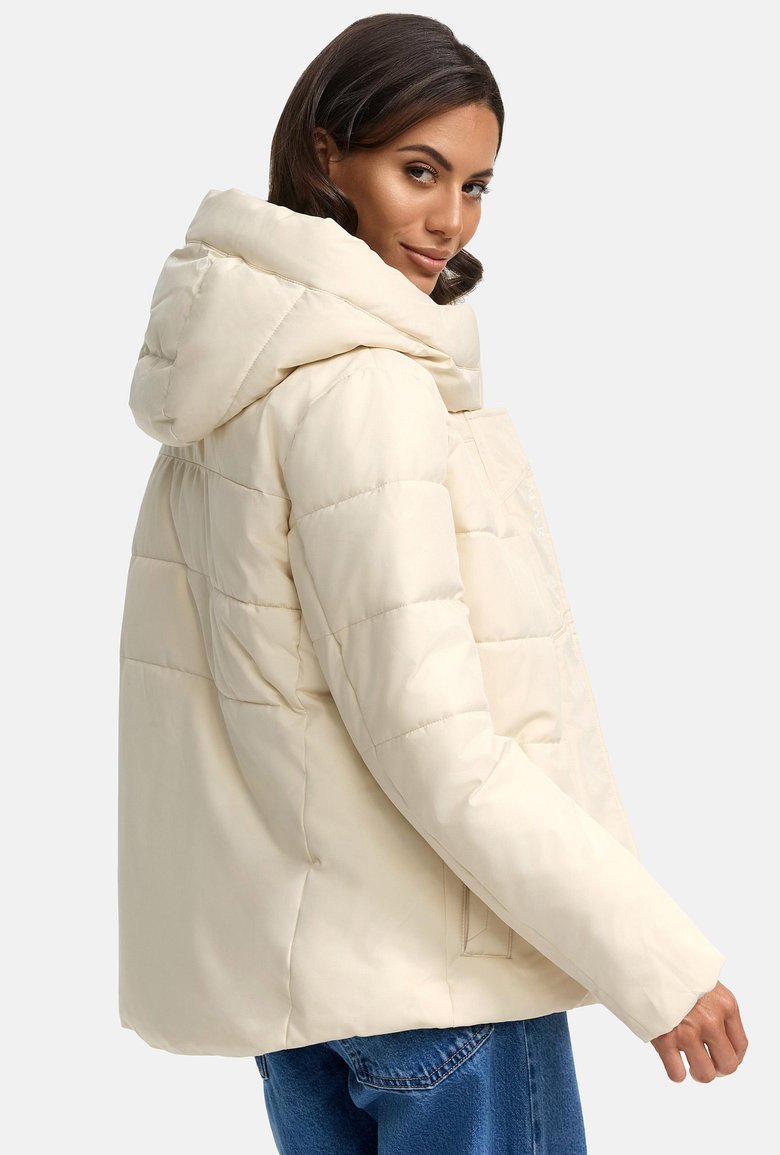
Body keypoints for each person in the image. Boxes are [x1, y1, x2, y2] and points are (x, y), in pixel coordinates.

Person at [117, 12, 748, 1153]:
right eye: (419, 170)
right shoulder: (363, 390)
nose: (450, 218)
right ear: (327, 154)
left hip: (304, 1006)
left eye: (475, 184)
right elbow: (436, 739)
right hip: (440, 990)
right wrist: (654, 961)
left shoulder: (228, 392)